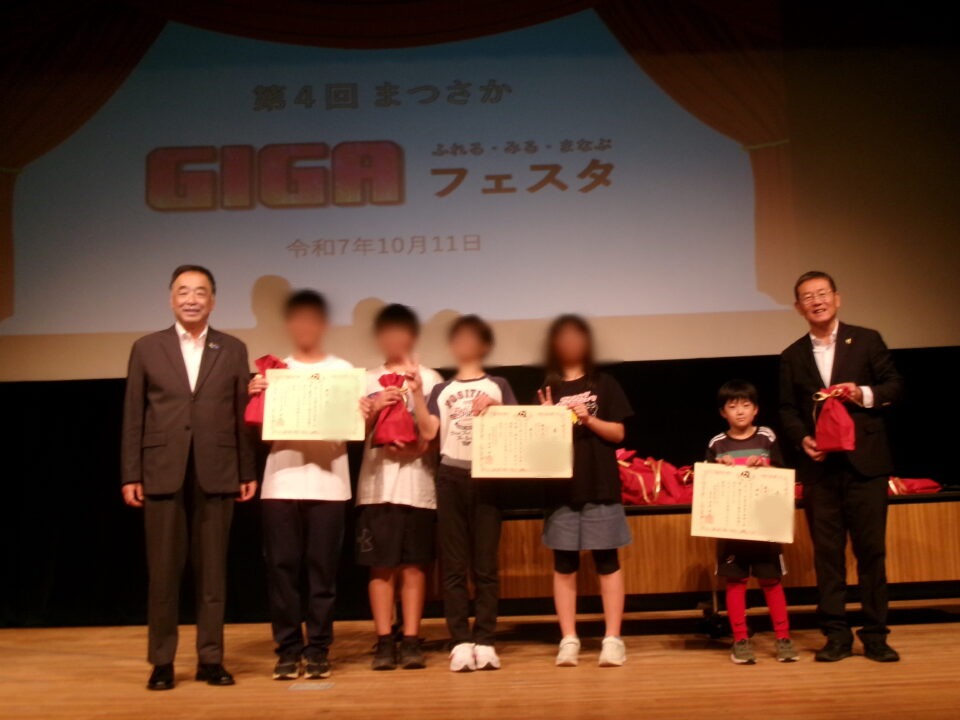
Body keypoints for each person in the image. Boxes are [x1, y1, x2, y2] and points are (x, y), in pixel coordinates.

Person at [121, 265, 257, 691]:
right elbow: (133, 415)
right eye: (183, 291)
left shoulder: (232, 348)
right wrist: (131, 472)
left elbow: (241, 414)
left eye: (200, 292)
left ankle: (210, 659)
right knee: (163, 575)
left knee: (213, 574)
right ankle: (162, 661)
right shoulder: (147, 347)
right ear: (171, 299)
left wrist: (246, 468)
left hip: (218, 469)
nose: (192, 299)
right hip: (162, 470)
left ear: (212, 301)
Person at [779, 271, 904, 663]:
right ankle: (836, 635)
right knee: (828, 556)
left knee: (871, 552)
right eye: (807, 297)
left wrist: (861, 393)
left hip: (865, 464)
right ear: (798, 307)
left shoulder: (866, 340)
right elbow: (787, 409)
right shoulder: (792, 355)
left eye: (822, 293)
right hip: (821, 469)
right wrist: (803, 439)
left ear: (837, 298)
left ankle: (876, 634)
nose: (816, 301)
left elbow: (893, 386)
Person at [247, 290, 368, 680]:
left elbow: (356, 428)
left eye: (312, 318)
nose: (305, 326)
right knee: (281, 571)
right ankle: (287, 649)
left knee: (323, 572)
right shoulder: (275, 372)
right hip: (281, 482)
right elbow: (255, 428)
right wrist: (254, 396)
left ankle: (318, 648)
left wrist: (363, 413)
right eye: (297, 319)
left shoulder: (344, 370)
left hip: (329, 483)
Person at [408, 315, 517, 672]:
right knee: (454, 566)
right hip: (450, 475)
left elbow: (519, 425)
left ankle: (485, 640)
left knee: (485, 565)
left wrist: (496, 407)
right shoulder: (442, 389)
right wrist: (416, 393)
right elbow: (428, 433)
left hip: (488, 476)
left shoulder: (498, 384)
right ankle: (459, 642)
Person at [535, 315, 633, 668]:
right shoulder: (548, 387)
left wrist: (588, 419)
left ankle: (613, 639)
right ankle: (569, 639)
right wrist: (545, 419)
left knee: (607, 561)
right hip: (561, 489)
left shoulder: (604, 383)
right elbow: (537, 447)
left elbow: (619, 434)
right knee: (564, 564)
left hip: (600, 484)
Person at [355, 304, 443, 670]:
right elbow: (352, 433)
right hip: (376, 485)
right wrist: (375, 407)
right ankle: (383, 640)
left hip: (417, 485)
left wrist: (416, 445)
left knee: (413, 567)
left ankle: (410, 638)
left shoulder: (430, 377)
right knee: (380, 566)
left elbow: (436, 436)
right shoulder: (366, 379)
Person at [706, 380, 798, 665]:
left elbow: (783, 473)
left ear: (756, 409)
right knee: (736, 582)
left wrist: (765, 465)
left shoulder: (766, 437)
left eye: (746, 405)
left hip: (765, 523)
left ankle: (783, 638)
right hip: (732, 527)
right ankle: (740, 640)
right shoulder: (717, 444)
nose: (740, 411)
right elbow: (708, 486)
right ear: (723, 412)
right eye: (732, 406)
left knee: (771, 581)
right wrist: (718, 468)